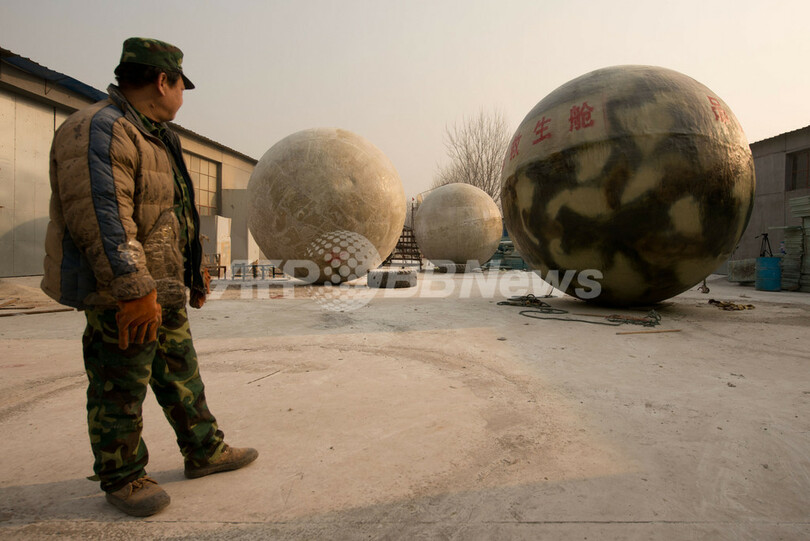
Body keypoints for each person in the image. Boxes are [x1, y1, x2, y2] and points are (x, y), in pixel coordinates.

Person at [41, 37, 257, 517]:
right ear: (163, 81)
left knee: (182, 374)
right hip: (122, 293)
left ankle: (204, 450)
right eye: (183, 85)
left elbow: (174, 212)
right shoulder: (102, 129)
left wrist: (192, 273)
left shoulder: (156, 134)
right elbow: (103, 217)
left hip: (163, 287)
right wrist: (134, 290)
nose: (183, 95)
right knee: (120, 385)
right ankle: (122, 477)